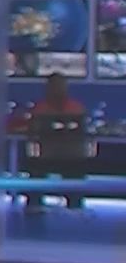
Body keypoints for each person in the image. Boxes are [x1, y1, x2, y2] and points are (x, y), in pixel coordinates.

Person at [24, 73, 89, 212]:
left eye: (60, 86)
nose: (57, 90)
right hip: (46, 156)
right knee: (35, 170)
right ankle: (34, 205)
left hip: (71, 156)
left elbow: (83, 131)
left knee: (76, 171)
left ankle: (75, 205)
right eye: (53, 87)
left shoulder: (76, 108)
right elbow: (32, 131)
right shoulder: (40, 109)